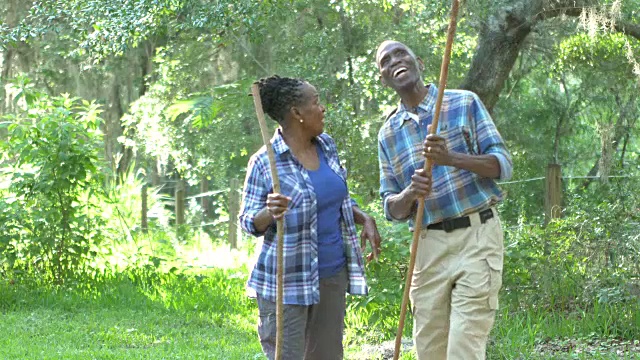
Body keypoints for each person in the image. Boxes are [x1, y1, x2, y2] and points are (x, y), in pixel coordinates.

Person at [375, 40, 513, 360]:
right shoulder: (387, 133)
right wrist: (410, 194)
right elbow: (391, 209)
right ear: (383, 78)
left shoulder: (464, 103)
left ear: (419, 62)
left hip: (477, 236)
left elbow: (502, 165)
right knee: (430, 350)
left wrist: (452, 158)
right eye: (385, 60)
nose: (395, 60)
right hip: (427, 246)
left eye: (401, 53)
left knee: (464, 346)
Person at [239, 75, 382, 360]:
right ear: (297, 113)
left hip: (332, 274)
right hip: (287, 282)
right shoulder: (265, 161)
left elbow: (333, 198)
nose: (322, 108)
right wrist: (270, 211)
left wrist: (362, 216)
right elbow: (247, 221)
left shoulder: (326, 145)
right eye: (316, 102)